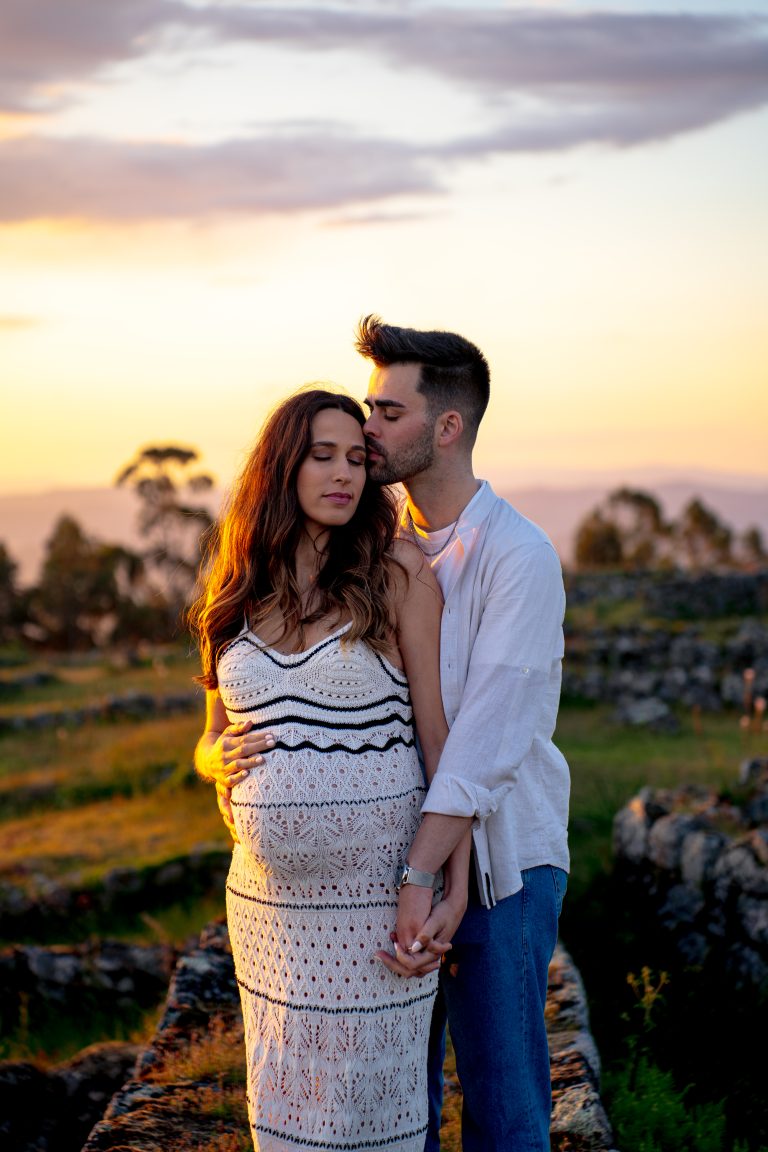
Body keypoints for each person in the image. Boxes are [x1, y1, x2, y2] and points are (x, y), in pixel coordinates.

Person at [187, 387, 470, 1152]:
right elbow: (209, 739)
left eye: (357, 459)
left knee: (373, 1123)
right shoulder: (236, 583)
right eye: (323, 456)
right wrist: (217, 761)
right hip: (267, 910)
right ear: (283, 466)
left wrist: (454, 881)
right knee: (287, 1123)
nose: (344, 474)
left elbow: (444, 745)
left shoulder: (397, 575)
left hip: (374, 908)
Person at [354, 315, 571, 1152]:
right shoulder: (381, 550)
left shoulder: (518, 555)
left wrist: (426, 874)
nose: (367, 429)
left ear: (448, 428)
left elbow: (487, 742)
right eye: (369, 409)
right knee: (401, 1102)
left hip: (503, 871)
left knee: (505, 1110)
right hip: (398, 865)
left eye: (388, 413)